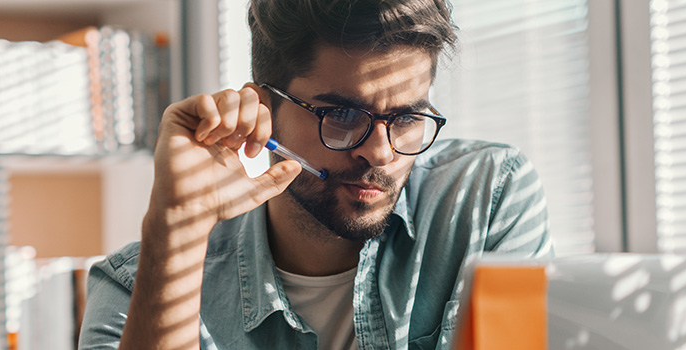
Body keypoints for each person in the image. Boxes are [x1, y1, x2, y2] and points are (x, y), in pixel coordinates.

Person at [78, 0, 552, 349]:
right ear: (263, 110)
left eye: (407, 118)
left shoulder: (486, 195)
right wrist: (177, 227)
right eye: (342, 116)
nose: (380, 153)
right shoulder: (135, 283)